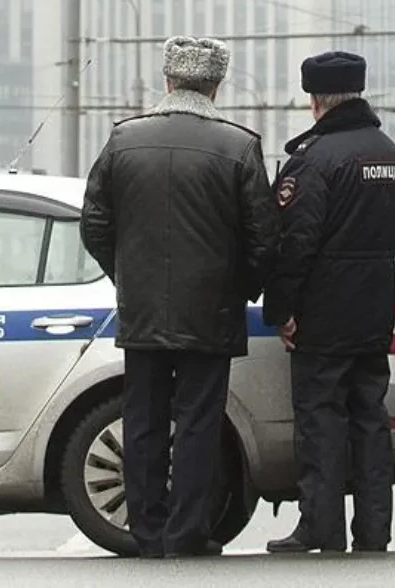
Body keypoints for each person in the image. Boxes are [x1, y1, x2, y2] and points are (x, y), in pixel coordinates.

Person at [79, 36, 279, 558]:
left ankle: (147, 532)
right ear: (215, 86)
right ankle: (187, 532)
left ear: (167, 81)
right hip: (212, 312)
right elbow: (263, 238)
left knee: (142, 419)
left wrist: (126, 277)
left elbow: (94, 223)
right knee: (198, 422)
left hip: (142, 310)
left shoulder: (124, 140)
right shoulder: (238, 146)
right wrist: (241, 289)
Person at [261, 51, 395, 554]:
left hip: (324, 313)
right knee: (371, 419)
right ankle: (374, 532)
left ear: (314, 101)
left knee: (321, 422)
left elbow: (295, 243)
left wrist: (280, 310)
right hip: (373, 306)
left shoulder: (315, 160)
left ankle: (320, 527)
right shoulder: (388, 152)